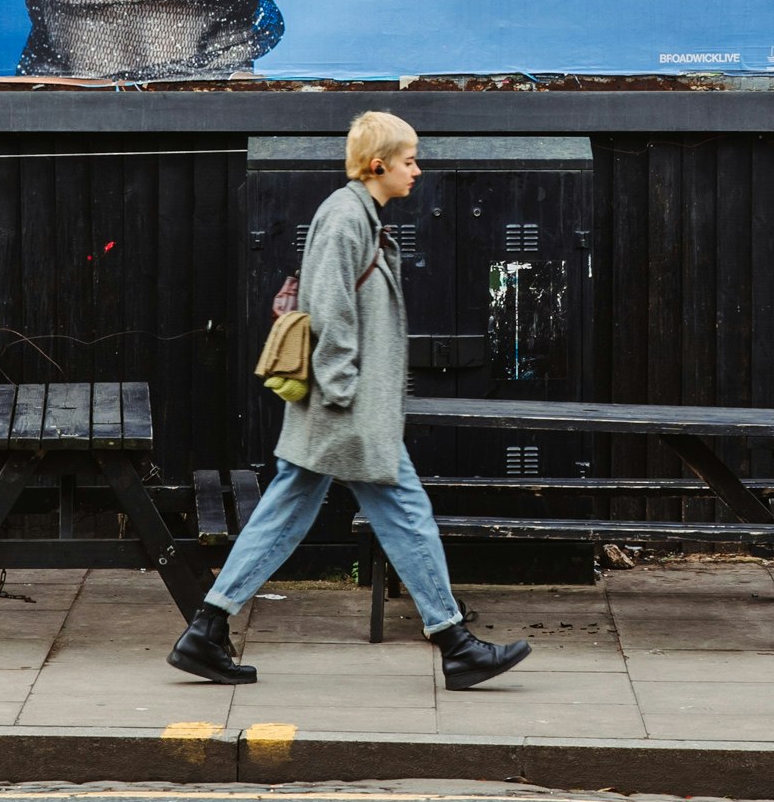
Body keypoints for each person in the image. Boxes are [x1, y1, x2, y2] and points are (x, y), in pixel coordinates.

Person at [169, 111, 532, 689]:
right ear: (378, 164)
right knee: (407, 516)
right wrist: (341, 396)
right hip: (348, 409)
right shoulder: (345, 219)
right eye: (409, 160)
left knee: (286, 513)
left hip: (344, 409)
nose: (417, 170)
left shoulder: (359, 216)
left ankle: (206, 629)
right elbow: (333, 312)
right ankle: (454, 642)